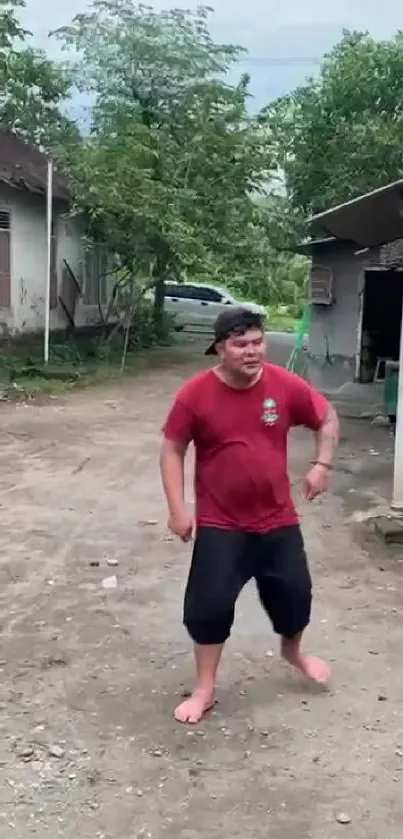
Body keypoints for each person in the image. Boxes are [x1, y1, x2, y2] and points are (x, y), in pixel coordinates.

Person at [160, 307, 339, 725]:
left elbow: (326, 416)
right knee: (208, 607)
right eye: (240, 344)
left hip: (278, 520)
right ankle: (204, 689)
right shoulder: (195, 395)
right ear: (220, 348)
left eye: (257, 341)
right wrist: (177, 509)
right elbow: (172, 448)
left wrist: (322, 465)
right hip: (223, 525)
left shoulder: (283, 384)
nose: (252, 351)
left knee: (295, 598)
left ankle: (293, 653)